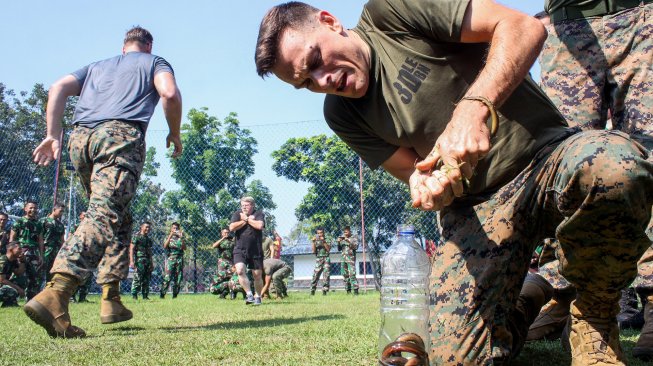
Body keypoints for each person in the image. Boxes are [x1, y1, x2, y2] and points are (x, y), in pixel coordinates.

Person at [255, 2, 653, 364]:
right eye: (307, 82)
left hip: (546, 159)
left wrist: (474, 108)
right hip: (477, 207)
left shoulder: (391, 13)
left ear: (330, 21)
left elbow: (522, 28)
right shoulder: (341, 114)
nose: (324, 80)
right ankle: (524, 301)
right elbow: (413, 171)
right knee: (457, 359)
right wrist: (427, 186)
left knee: (613, 166)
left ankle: (596, 320)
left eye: (316, 60)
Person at [26, 26, 182, 338]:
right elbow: (169, 93)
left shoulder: (96, 66)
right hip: (120, 137)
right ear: (148, 46)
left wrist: (52, 134)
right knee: (103, 214)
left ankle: (111, 297)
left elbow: (57, 87)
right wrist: (174, 132)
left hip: (81, 138)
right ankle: (57, 292)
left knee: (119, 218)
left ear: (124, 47)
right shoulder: (155, 63)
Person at [534, 2, 653, 361]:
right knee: (563, 162)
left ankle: (652, 296)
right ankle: (562, 295)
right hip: (569, 22)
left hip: (640, 14)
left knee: (648, 158)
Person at [229, 197, 266, 306]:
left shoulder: (259, 214)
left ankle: (258, 296)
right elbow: (231, 227)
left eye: (246, 205)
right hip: (240, 249)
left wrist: (247, 219)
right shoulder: (237, 214)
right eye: (242, 205)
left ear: (252, 205)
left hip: (256, 249)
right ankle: (249, 294)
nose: (244, 207)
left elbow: (259, 225)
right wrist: (245, 220)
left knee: (257, 275)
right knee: (240, 270)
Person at [10, 200, 43, 301]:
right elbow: (12, 239)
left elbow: (41, 240)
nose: (33, 210)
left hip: (34, 253)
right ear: (25, 209)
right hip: (21, 252)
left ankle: (31, 300)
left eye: (35, 208)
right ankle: (11, 299)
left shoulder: (38, 224)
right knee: (19, 276)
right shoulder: (19, 222)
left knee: (35, 277)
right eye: (31, 208)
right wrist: (14, 254)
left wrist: (41, 255)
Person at [40, 203, 66, 283]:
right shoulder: (43, 221)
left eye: (63, 212)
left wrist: (62, 253)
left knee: (51, 274)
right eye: (60, 211)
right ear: (54, 210)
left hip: (56, 252)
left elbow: (62, 240)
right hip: (45, 250)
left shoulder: (60, 225)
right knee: (40, 273)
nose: (61, 213)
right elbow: (40, 237)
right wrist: (41, 252)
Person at [160, 222, 185, 299]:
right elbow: (165, 246)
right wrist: (170, 235)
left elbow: (184, 248)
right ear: (171, 229)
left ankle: (175, 295)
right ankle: (162, 294)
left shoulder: (180, 238)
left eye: (176, 228)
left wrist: (181, 237)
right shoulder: (168, 237)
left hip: (179, 259)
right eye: (173, 228)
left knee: (178, 278)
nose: (175, 229)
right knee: (167, 278)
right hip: (171, 259)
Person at [129, 222, 154, 300]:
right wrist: (131, 261)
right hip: (139, 260)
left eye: (149, 227)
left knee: (146, 278)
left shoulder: (148, 239)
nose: (148, 229)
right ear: (141, 227)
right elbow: (131, 249)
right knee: (138, 277)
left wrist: (151, 263)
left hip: (147, 261)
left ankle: (145, 295)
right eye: (146, 227)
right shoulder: (136, 237)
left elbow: (150, 252)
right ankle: (134, 295)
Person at [70, 211, 91, 303]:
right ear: (80, 217)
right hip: (78, 253)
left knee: (88, 275)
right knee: (77, 275)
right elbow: (70, 239)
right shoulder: (75, 227)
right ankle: (72, 297)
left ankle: (82, 297)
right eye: (84, 215)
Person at [0, 242, 26, 307]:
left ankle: (9, 303)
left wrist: (22, 261)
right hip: (1, 284)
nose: (21, 251)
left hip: (2, 286)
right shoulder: (3, 261)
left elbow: (19, 273)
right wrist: (18, 288)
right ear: (11, 250)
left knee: (22, 280)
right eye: (19, 249)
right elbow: (1, 280)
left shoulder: (12, 261)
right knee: (10, 289)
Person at [211, 228, 235, 299]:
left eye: (228, 232)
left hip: (231, 261)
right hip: (222, 262)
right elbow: (213, 246)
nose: (226, 234)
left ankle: (232, 293)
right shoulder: (221, 241)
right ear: (222, 233)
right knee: (222, 278)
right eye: (225, 233)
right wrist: (222, 238)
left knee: (231, 277)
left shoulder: (232, 240)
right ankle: (222, 294)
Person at [336, 226, 359, 295]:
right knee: (344, 274)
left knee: (352, 274)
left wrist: (348, 241)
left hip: (350, 259)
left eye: (346, 231)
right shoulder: (342, 238)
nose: (345, 233)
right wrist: (338, 242)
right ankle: (348, 290)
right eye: (344, 231)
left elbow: (356, 247)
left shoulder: (354, 238)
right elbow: (339, 249)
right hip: (343, 258)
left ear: (350, 231)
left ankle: (355, 291)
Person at [309, 228, 331, 296]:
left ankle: (324, 291)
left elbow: (328, 249)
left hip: (326, 258)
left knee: (326, 275)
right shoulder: (316, 240)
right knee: (315, 275)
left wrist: (323, 241)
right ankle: (312, 291)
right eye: (318, 233)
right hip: (319, 259)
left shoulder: (327, 239)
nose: (319, 234)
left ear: (323, 233)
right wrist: (313, 242)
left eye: (321, 233)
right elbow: (313, 251)